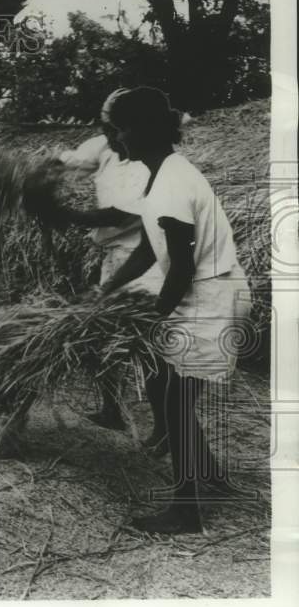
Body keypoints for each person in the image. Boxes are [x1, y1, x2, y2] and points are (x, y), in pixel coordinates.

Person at [99, 86, 251, 535]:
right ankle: (212, 477)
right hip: (204, 290)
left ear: (142, 129)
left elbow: (181, 266)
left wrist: (152, 316)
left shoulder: (171, 182)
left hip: (209, 298)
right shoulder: (163, 171)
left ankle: (186, 510)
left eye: (121, 129)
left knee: (174, 401)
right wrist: (110, 287)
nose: (118, 138)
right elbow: (151, 246)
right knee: (165, 383)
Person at [57, 89, 165, 432]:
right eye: (105, 130)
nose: (109, 137)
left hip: (143, 264)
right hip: (115, 258)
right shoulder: (108, 148)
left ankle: (164, 424)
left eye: (115, 131)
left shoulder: (150, 165)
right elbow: (73, 160)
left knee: (148, 343)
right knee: (102, 338)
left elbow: (119, 216)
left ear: (133, 129)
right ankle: (111, 409)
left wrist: (67, 215)